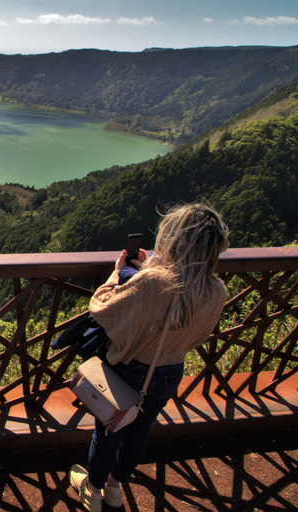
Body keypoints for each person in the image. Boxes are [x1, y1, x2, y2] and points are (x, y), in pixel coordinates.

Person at [70, 202, 230, 512]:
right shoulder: (216, 290)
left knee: (108, 433)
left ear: (175, 240)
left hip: (130, 369)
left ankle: (92, 491)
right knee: (140, 431)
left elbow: (103, 309)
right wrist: (152, 266)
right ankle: (115, 488)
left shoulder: (155, 282)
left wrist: (117, 275)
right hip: (171, 372)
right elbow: (197, 333)